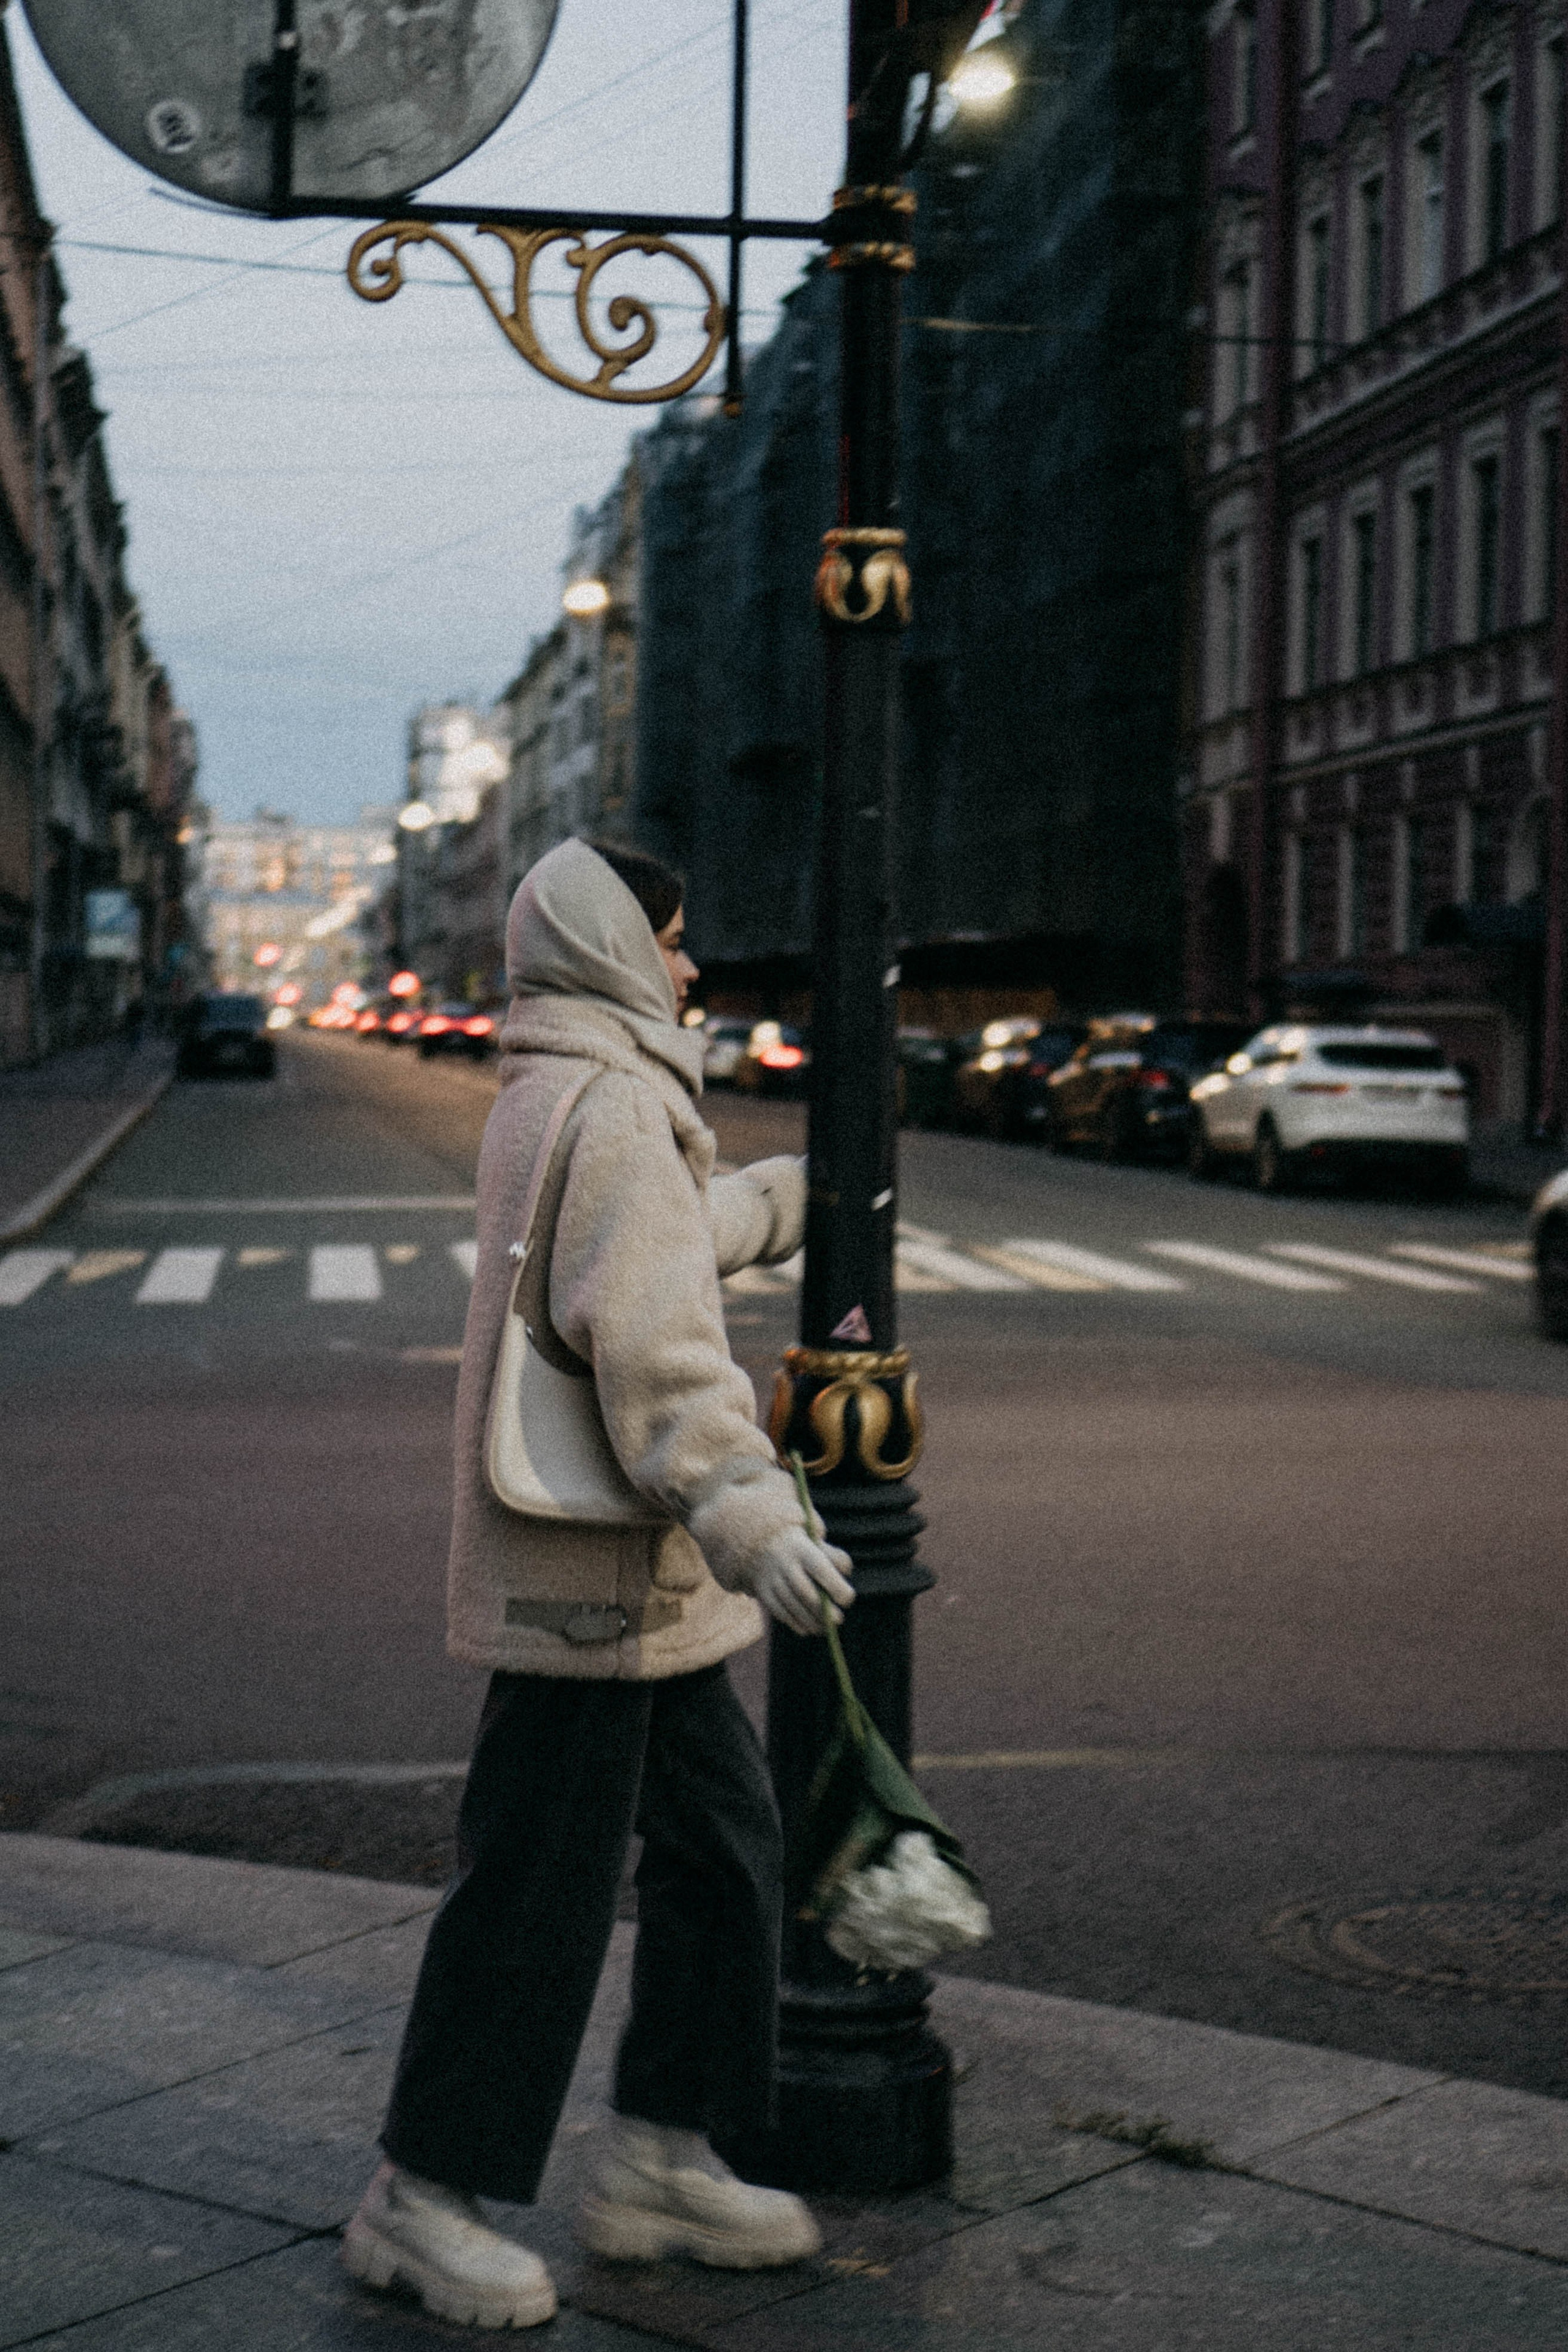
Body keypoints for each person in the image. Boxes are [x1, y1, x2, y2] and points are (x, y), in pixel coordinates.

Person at [343, 836, 855, 2331]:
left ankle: (663, 2156)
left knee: (719, 1849)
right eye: (673, 937)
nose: (690, 965)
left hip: (631, 1588)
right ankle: (420, 2200)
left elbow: (641, 1260)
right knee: (536, 1893)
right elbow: (653, 1351)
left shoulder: (563, 1083)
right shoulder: (621, 1101)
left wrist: (771, 1197)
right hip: (597, 1580)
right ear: (619, 945)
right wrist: (755, 1517)